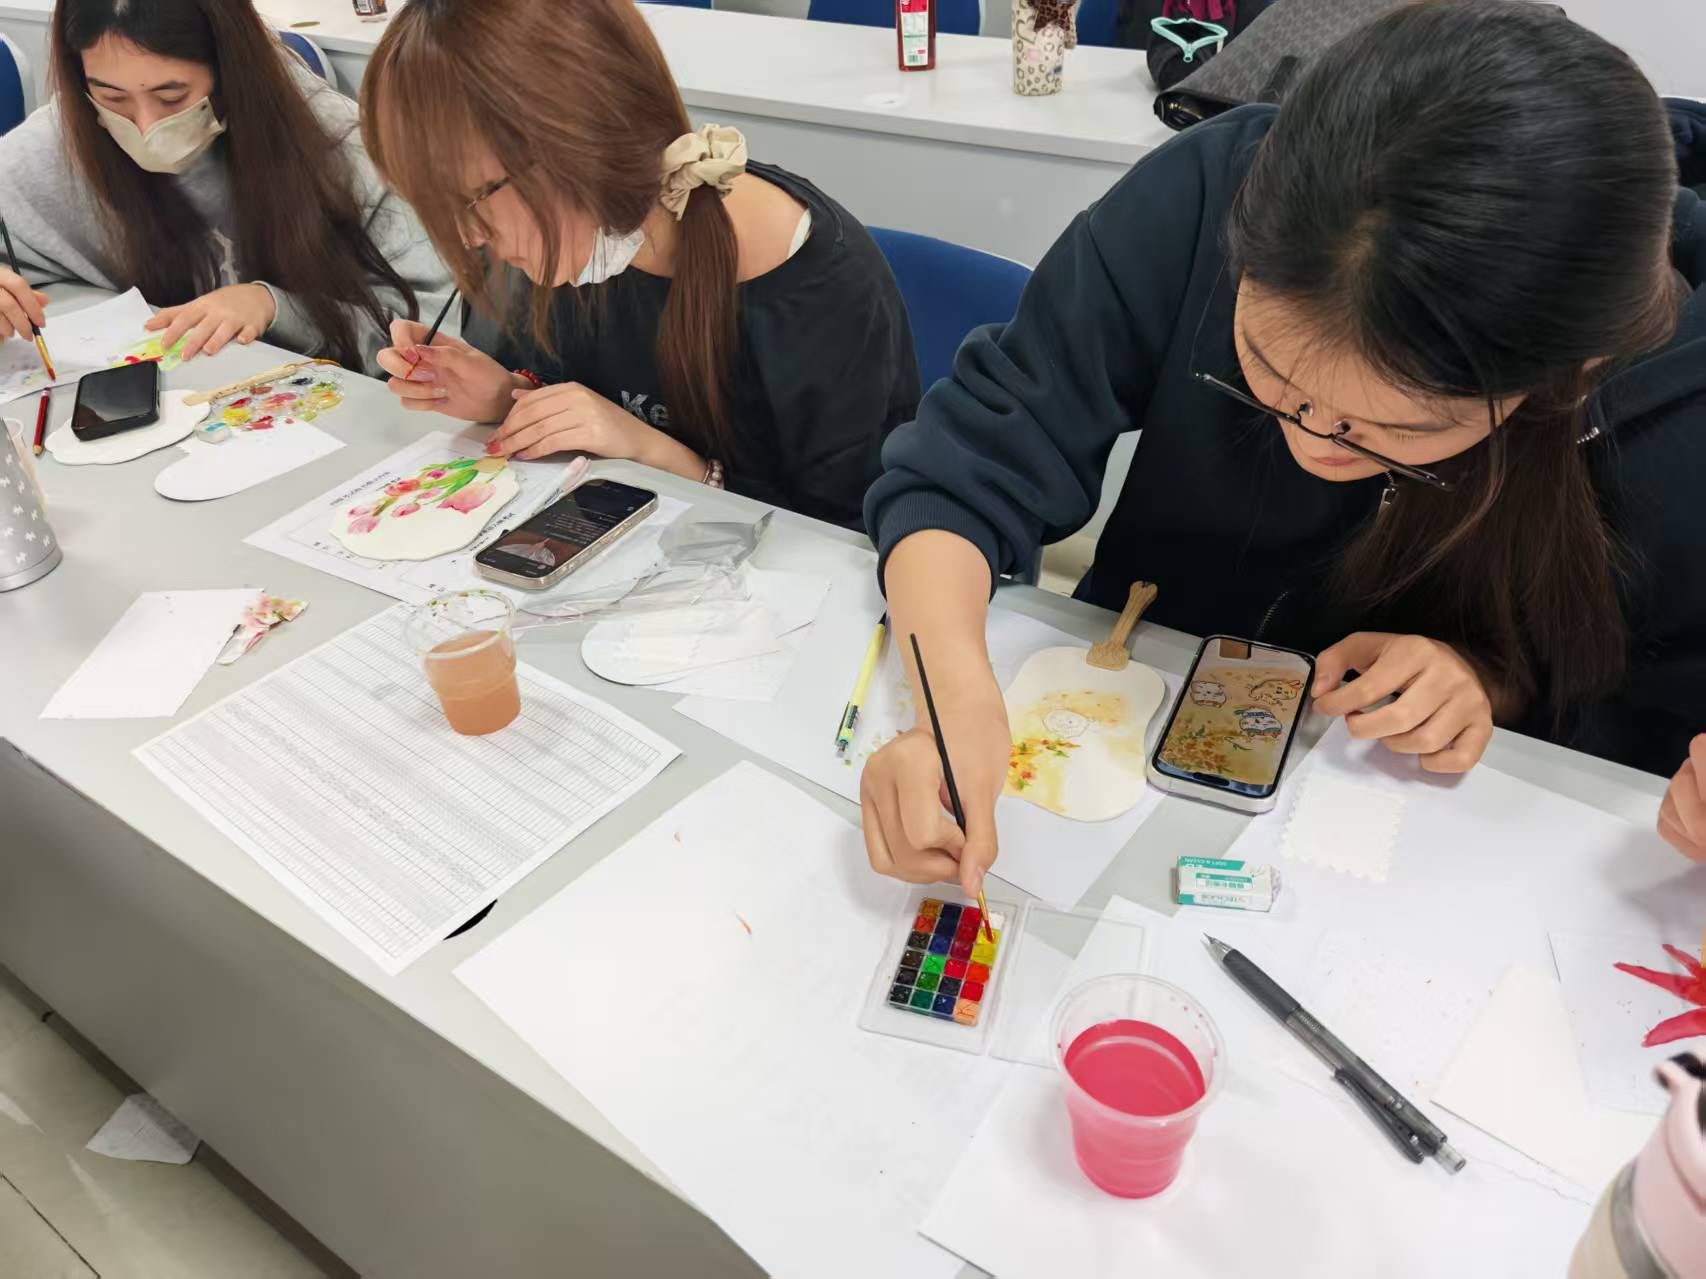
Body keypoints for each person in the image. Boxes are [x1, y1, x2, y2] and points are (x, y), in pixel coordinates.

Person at [859, 1, 1706, 895]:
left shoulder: (1674, 413)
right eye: (1267, 375)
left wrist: (1489, 686)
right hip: (1131, 735)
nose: (1311, 445)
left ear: (1574, 371)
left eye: (1398, 432)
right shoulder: (1204, 191)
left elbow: (1630, 735)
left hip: (1403, 842)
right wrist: (949, 693)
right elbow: (969, 465)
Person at [361, 0, 918, 530]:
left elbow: (845, 537)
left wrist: (651, 449)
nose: (469, 236)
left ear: (578, 145)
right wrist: (502, 395)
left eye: (472, 199)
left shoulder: (821, 293)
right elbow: (567, 393)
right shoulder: (554, 238)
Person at [0, 0, 446, 373]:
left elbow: (431, 332)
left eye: (172, 97)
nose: (146, 127)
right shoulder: (64, 136)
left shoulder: (335, 140)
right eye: (112, 98)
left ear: (230, 72)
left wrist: (275, 307)